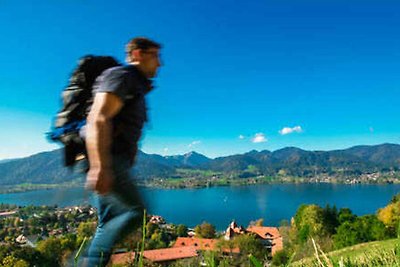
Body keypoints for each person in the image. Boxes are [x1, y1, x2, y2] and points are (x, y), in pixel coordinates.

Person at [83, 37, 162, 266]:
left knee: (107, 223)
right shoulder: (122, 76)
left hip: (112, 160)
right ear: (138, 54)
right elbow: (98, 117)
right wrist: (101, 166)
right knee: (137, 212)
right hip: (107, 159)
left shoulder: (134, 85)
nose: (160, 63)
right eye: (155, 55)